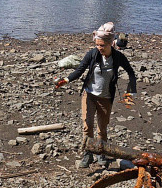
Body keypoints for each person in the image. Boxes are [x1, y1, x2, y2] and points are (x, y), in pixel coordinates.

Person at [55, 22, 137, 168]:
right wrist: (66, 80)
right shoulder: (92, 54)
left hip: (105, 97)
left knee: (102, 128)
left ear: (111, 44)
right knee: (87, 126)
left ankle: (101, 153)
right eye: (97, 45)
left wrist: (131, 91)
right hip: (89, 95)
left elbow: (131, 72)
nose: (99, 48)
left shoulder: (118, 57)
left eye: (102, 46)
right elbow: (80, 70)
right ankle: (87, 155)